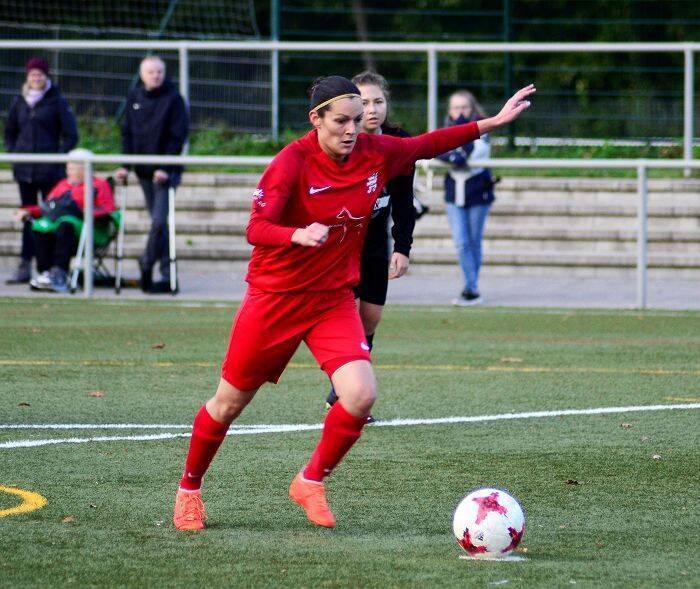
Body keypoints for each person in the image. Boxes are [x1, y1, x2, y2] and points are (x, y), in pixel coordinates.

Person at [171, 76, 535, 532]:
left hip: (332, 300)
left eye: (357, 120)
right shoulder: (290, 163)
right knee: (228, 404)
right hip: (275, 300)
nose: (351, 130)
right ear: (316, 119)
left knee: (361, 395)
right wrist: (295, 234)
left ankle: (310, 481)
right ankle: (189, 490)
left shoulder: (375, 152)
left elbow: (427, 144)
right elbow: (256, 228)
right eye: (341, 121)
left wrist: (492, 122)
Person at [324, 71, 417, 419]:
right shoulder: (340, 142)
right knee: (345, 319)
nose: (372, 109)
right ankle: (346, 395)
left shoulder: (398, 143)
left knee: (370, 319)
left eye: (378, 101)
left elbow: (404, 200)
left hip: (376, 243)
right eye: (363, 102)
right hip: (341, 245)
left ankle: (343, 391)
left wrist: (403, 247)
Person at [115, 55, 188, 294]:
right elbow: (127, 132)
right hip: (144, 171)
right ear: (142, 74)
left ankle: (146, 261)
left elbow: (178, 135)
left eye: (159, 72)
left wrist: (165, 167)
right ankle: (167, 275)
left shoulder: (174, 99)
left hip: (166, 173)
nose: (155, 76)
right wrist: (126, 165)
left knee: (158, 221)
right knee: (160, 225)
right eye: (151, 72)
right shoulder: (134, 96)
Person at [4, 56, 78, 284]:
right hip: (25, 171)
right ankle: (25, 263)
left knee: (50, 216)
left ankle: (50, 267)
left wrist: (56, 158)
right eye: (33, 74)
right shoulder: (19, 102)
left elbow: (71, 135)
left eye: (40, 74)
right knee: (28, 216)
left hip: (50, 173)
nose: (36, 78)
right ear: (27, 77)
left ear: (46, 76)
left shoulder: (57, 101)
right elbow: (9, 132)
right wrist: (15, 153)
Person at [14, 149, 115, 293]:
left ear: (85, 169)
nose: (68, 172)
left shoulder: (99, 185)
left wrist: (86, 212)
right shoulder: (63, 185)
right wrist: (28, 211)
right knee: (40, 225)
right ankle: (46, 272)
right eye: (68, 168)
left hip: (89, 230)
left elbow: (108, 209)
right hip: (60, 229)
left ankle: (60, 271)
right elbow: (48, 207)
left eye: (72, 169)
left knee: (65, 224)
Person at [438, 90, 498, 306]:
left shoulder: (484, 129)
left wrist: (452, 151)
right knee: (462, 243)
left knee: (474, 241)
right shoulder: (445, 129)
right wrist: (451, 152)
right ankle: (471, 289)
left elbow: (465, 156)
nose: (460, 112)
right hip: (454, 192)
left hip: (478, 191)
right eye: (456, 108)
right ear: (449, 110)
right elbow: (438, 150)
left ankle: (471, 288)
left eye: (464, 107)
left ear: (472, 109)